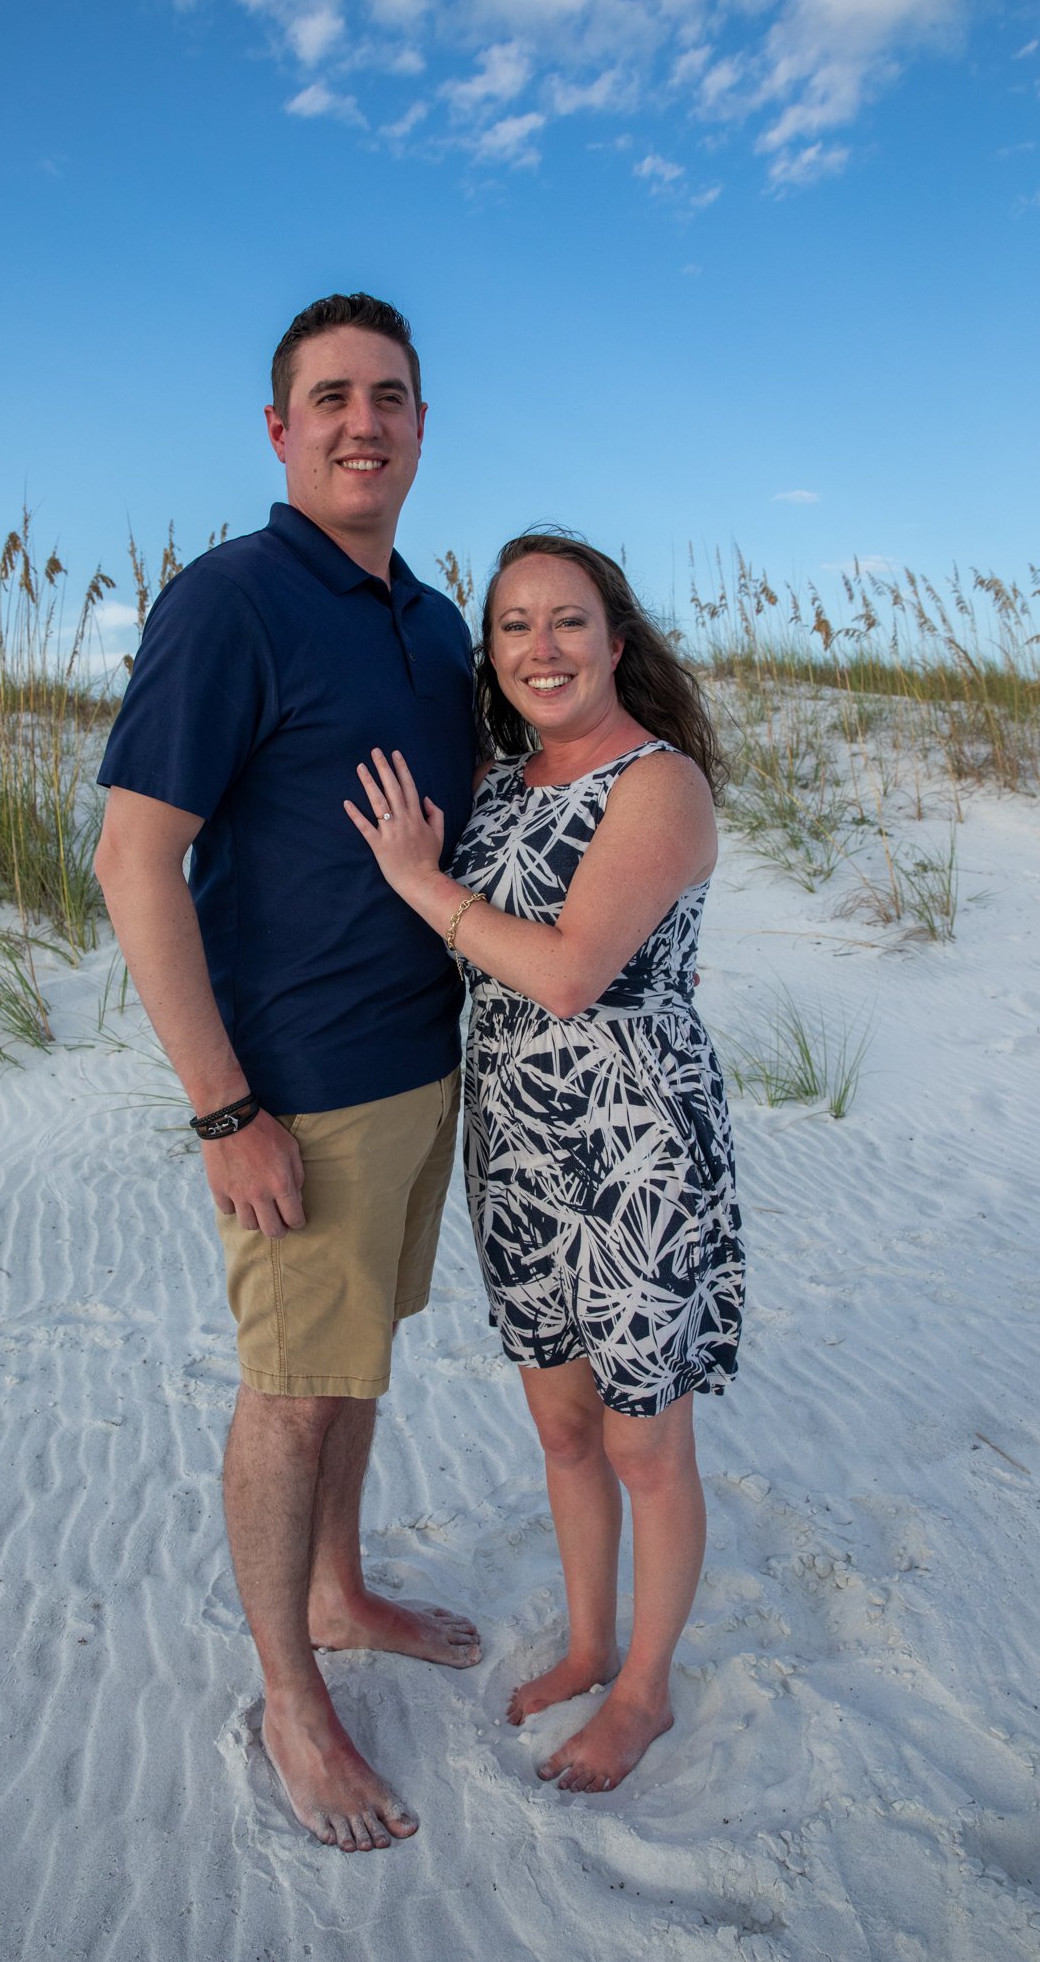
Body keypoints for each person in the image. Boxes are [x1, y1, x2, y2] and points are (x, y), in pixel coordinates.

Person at [93, 294, 481, 1855]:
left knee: (355, 1367)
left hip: (418, 1069)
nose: (361, 422)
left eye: (389, 394)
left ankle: (338, 1590)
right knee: (289, 1396)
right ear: (279, 428)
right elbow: (135, 861)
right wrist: (225, 1107)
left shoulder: (439, 619)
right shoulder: (231, 599)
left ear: (421, 423)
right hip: (297, 1089)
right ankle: (287, 1693)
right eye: (329, 398)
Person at [345, 530, 744, 1794]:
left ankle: (645, 1690)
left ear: (617, 640)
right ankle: (585, 1643)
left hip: (634, 1139)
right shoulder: (504, 786)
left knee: (643, 1442)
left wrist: (417, 880)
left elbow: (571, 973)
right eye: (514, 626)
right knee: (564, 1427)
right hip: (515, 1139)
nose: (541, 648)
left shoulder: (658, 784)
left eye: (567, 621)